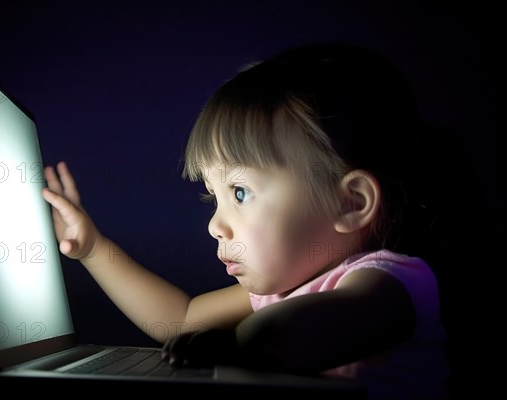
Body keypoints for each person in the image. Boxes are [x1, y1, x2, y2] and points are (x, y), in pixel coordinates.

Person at [42, 43, 450, 400]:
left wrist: (228, 344)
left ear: (350, 202)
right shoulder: (281, 295)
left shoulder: (393, 282)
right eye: (213, 196)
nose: (215, 225)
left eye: (240, 193)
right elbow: (179, 321)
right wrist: (94, 250)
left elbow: (292, 334)